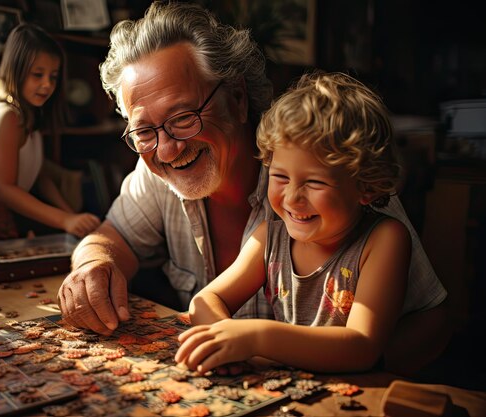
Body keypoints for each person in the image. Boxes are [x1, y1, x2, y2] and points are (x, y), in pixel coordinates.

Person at [57, 1, 450, 374]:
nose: (167, 148)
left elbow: (430, 322)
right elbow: (111, 237)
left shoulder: (340, 170)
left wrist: (328, 372)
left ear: (238, 98)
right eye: (144, 130)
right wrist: (94, 264)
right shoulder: (160, 173)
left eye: (184, 116)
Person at [175, 71, 437, 373]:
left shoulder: (385, 239)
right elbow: (207, 299)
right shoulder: (268, 237)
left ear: (366, 187)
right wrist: (225, 342)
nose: (292, 198)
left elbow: (361, 347)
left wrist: (256, 338)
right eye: (280, 176)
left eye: (314, 182)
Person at [0, 23, 100, 239]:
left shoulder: (28, 114)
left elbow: (38, 174)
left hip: (6, 209)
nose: (47, 85)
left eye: (53, 77)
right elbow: (5, 189)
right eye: (37, 75)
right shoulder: (6, 116)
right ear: (16, 71)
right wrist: (65, 220)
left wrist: (69, 214)